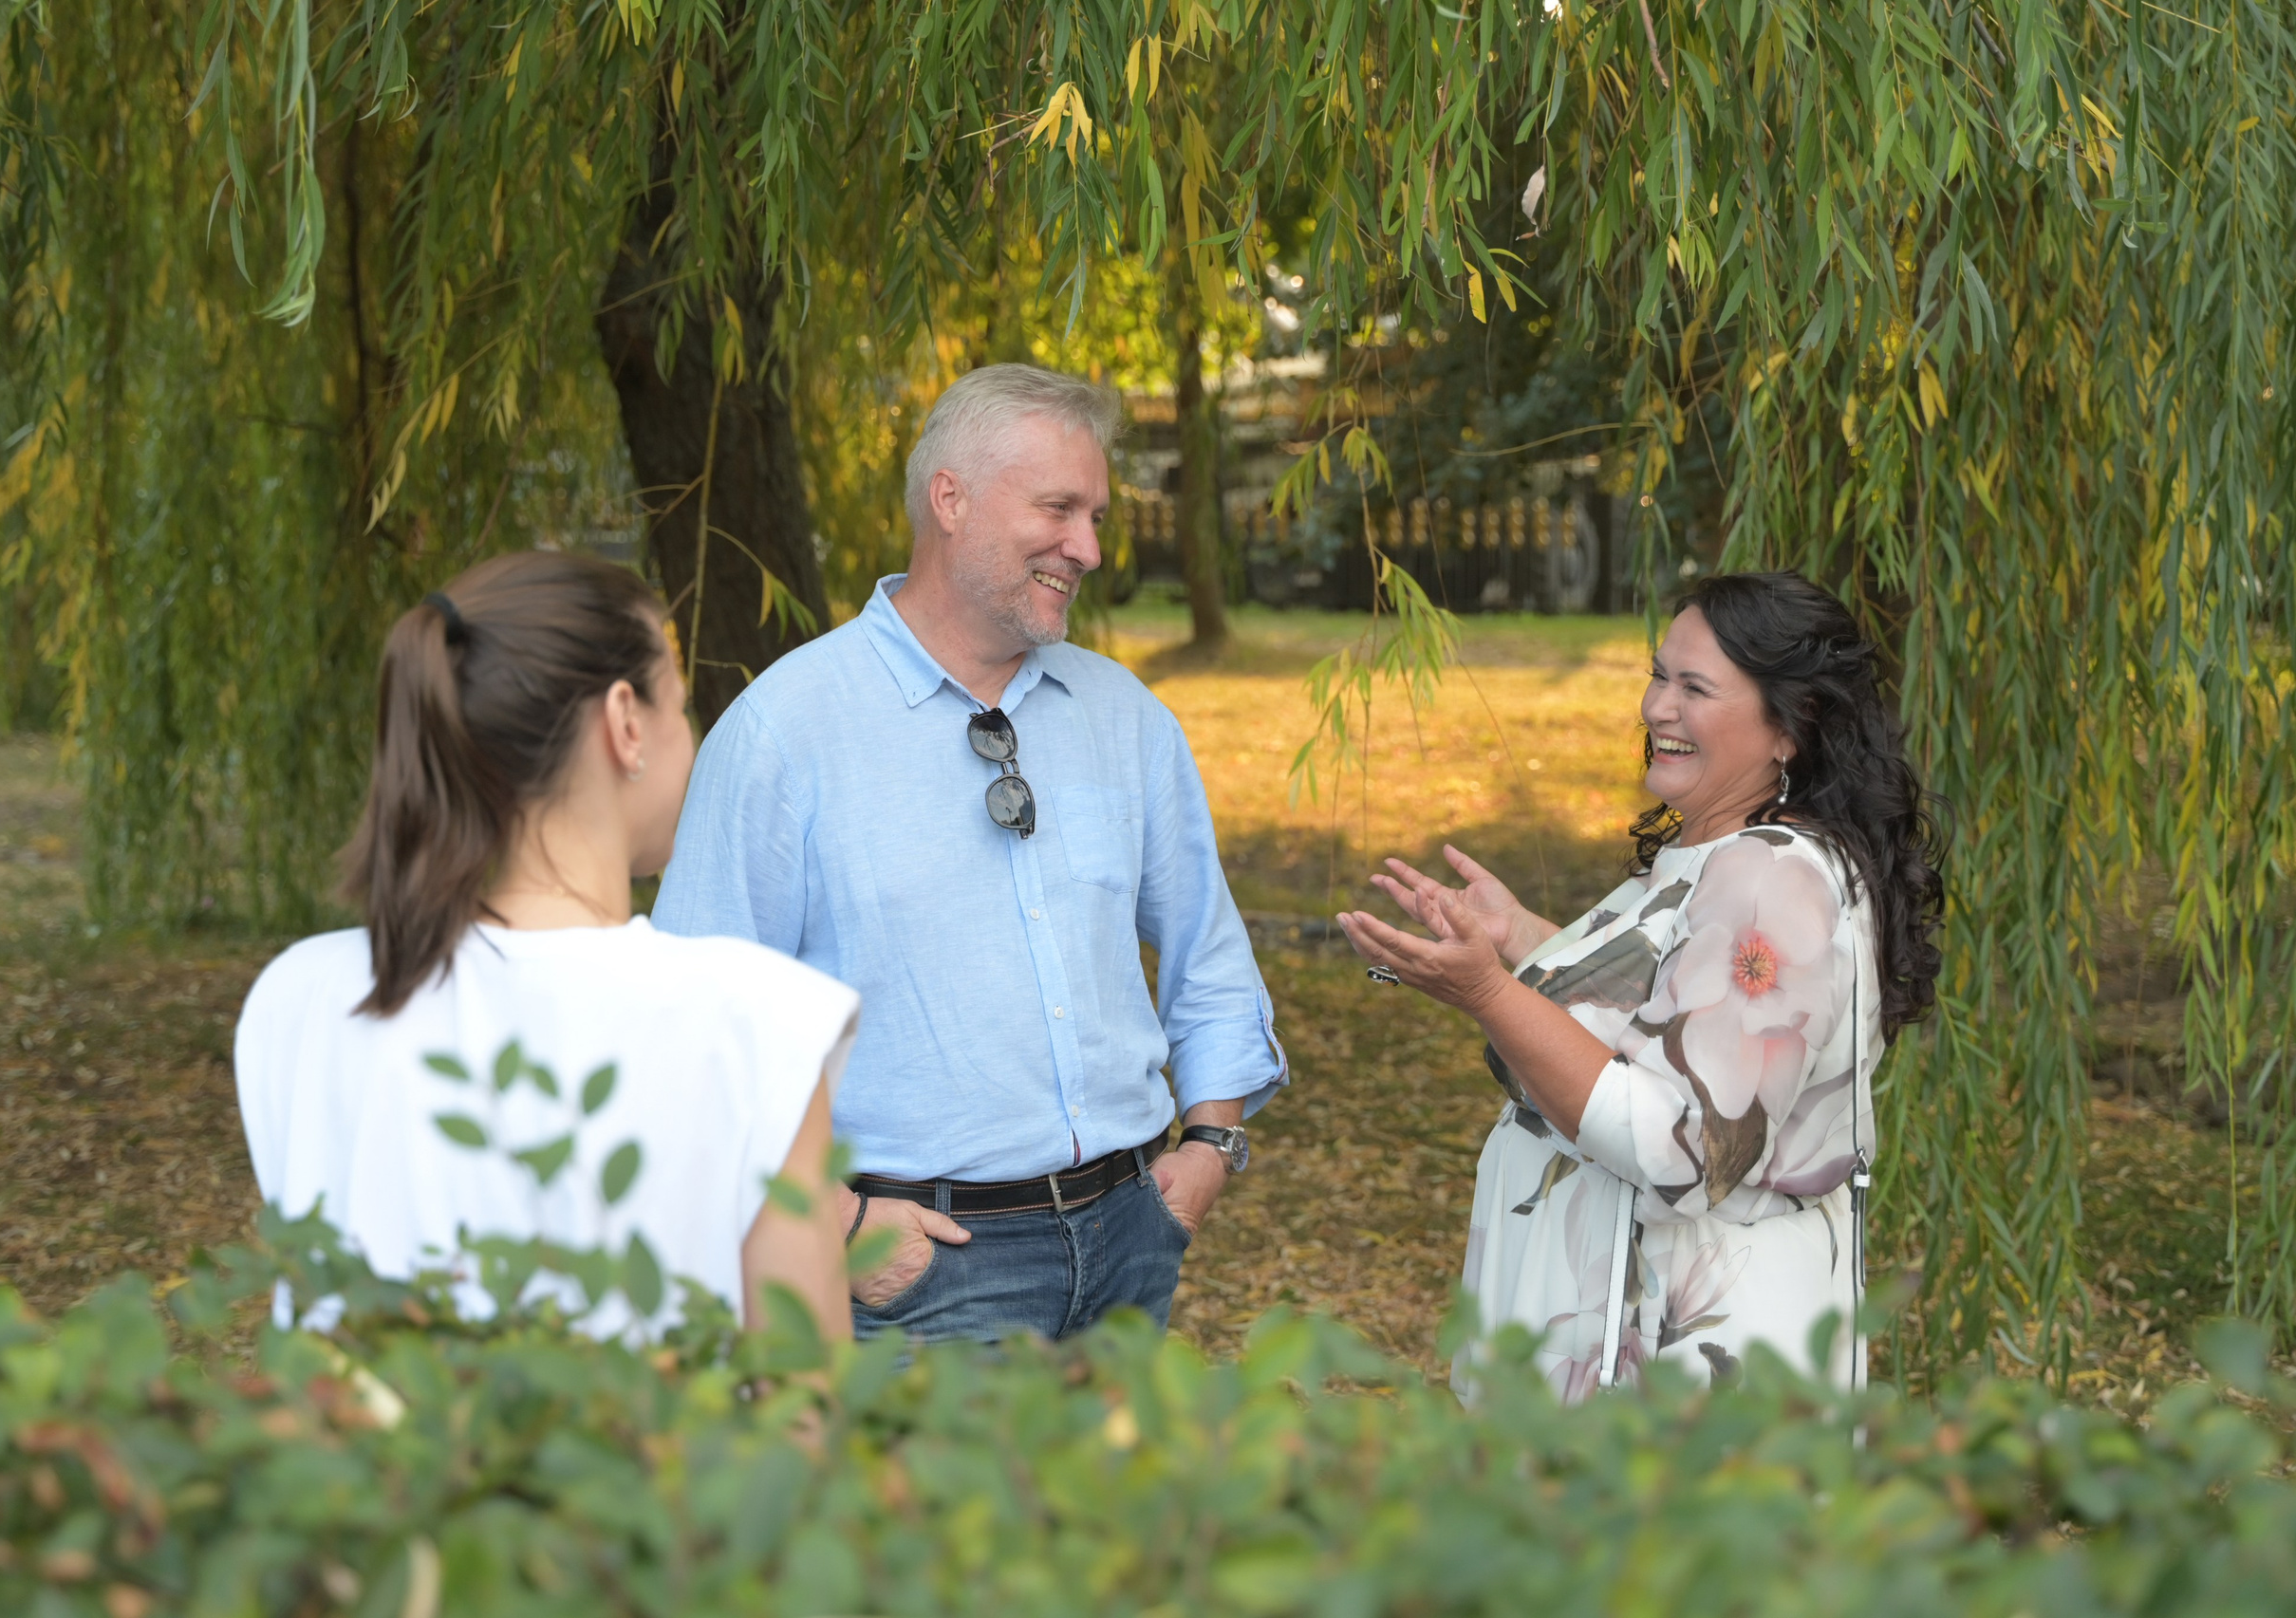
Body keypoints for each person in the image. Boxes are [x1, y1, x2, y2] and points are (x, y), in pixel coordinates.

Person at [656, 363, 1286, 1342]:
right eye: (1057, 509)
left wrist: (1209, 1145)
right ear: (950, 500)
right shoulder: (785, 730)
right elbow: (693, 1030)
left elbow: (1208, 952)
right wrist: (840, 1225)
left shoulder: (1124, 718)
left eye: (1096, 518)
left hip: (1131, 1239)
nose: (1087, 548)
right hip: (919, 1271)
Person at [1338, 571, 1945, 1398]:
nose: (1657, 706)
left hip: (1687, 1351)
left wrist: (1489, 993)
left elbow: (1687, 1148)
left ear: (1791, 724)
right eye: (1660, 675)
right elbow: (1666, 1016)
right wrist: (1519, 938)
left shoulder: (1771, 880)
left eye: (1695, 687)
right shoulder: (1733, 849)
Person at [234, 551, 855, 1341]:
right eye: (680, 704)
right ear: (625, 722)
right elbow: (803, 1396)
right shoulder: (759, 1023)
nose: (691, 737)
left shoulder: (301, 999)